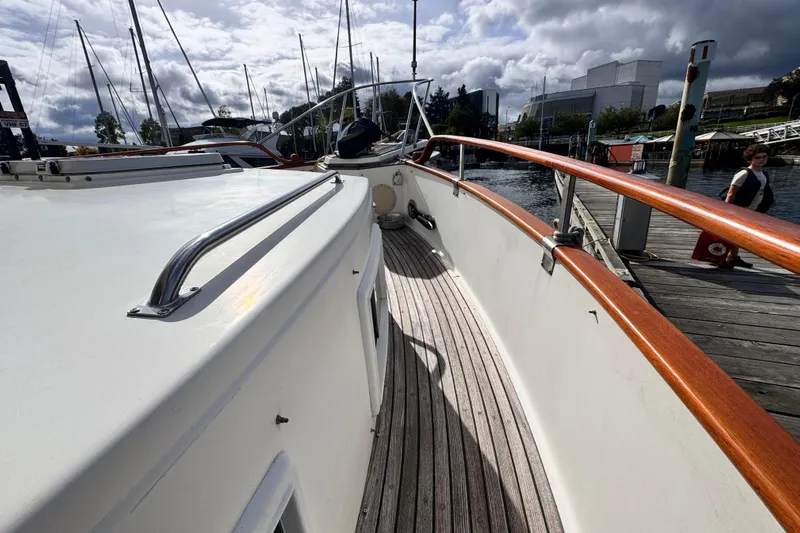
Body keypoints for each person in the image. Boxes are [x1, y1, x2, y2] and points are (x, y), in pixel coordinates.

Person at [721, 143, 774, 268]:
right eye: (757, 157)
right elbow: (731, 193)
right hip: (740, 209)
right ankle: (725, 257)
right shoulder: (744, 173)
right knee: (734, 234)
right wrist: (726, 210)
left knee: (739, 234)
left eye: (764, 157)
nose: (761, 160)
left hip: (752, 209)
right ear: (750, 159)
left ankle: (733, 257)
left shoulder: (763, 174)